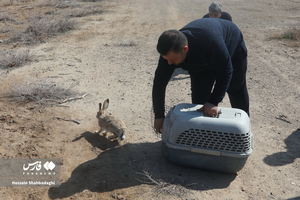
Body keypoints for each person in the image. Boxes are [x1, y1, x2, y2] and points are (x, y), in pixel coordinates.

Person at [152, 18, 249, 133]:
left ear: (185, 49)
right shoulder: (170, 52)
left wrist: (214, 101)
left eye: (173, 60)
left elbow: (226, 70)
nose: (169, 63)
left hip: (232, 45)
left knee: (235, 88)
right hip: (201, 57)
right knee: (199, 101)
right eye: (166, 60)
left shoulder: (211, 42)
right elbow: (159, 84)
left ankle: (243, 130)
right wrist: (159, 115)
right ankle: (204, 135)